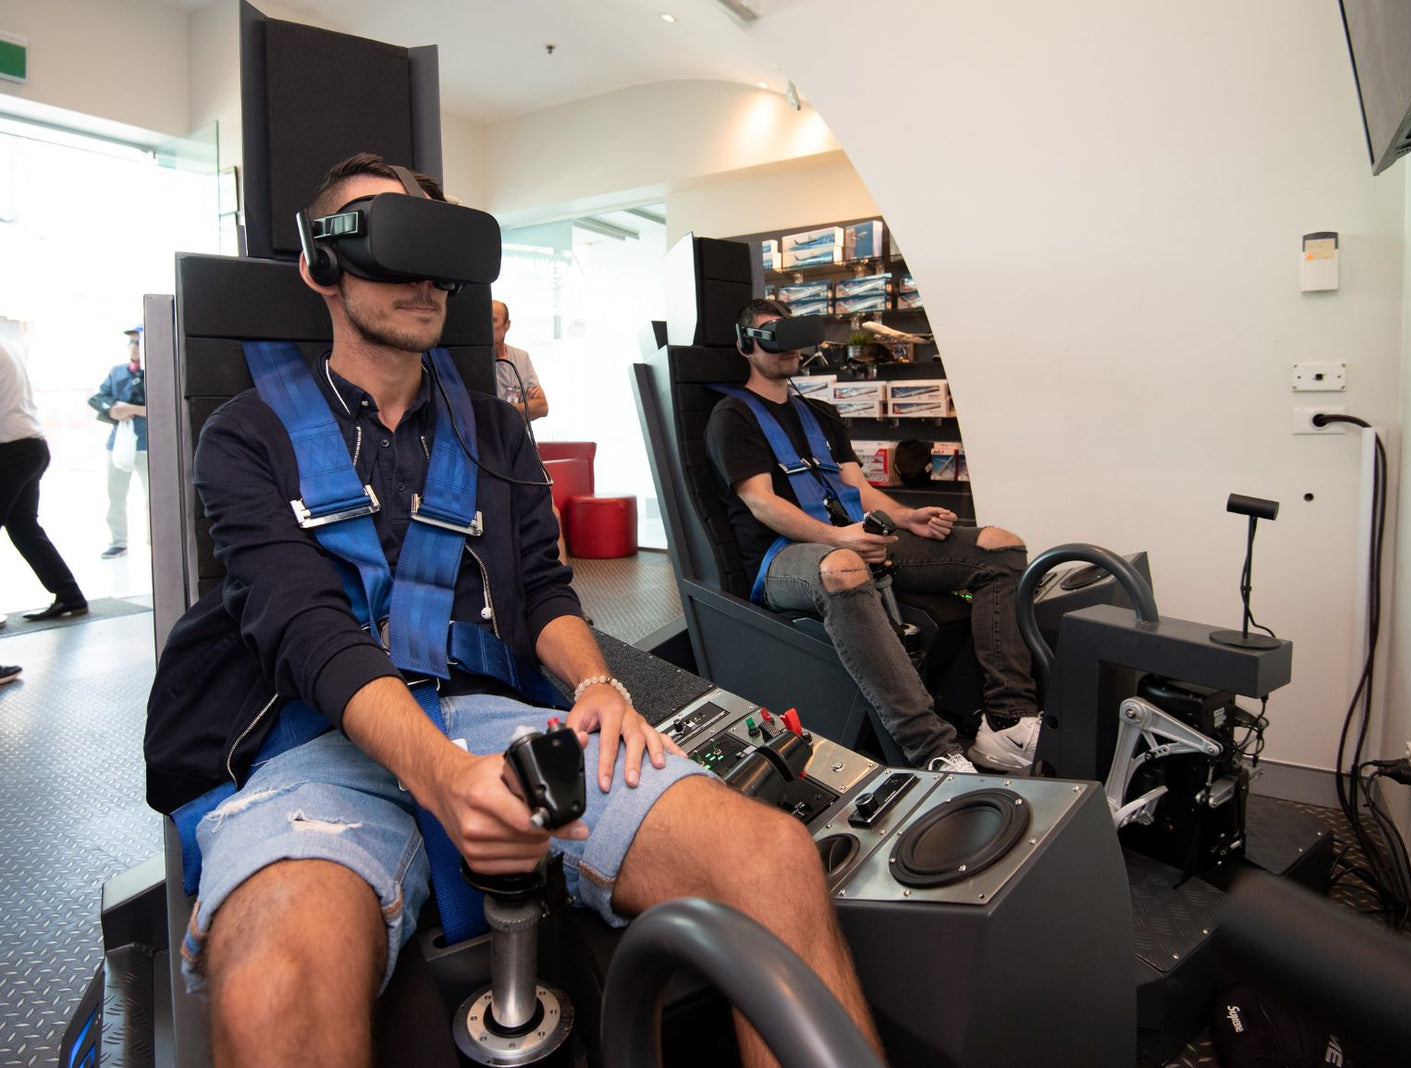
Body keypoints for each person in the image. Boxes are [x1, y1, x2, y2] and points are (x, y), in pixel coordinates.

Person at [144, 154, 879, 1066]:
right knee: (273, 986)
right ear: (319, 265)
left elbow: (541, 590)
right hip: (317, 738)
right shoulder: (248, 433)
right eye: (389, 241)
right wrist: (440, 778)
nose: (423, 277)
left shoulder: (493, 433)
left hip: (490, 713)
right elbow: (302, 626)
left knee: (774, 861)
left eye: (437, 248)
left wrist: (601, 683)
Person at [705, 299, 1043, 773]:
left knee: (1001, 548)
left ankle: (1007, 722)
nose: (786, 349)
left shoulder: (821, 415)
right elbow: (760, 501)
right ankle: (932, 749)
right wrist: (836, 538)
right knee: (845, 568)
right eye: (771, 336)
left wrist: (906, 518)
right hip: (783, 559)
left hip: (850, 538)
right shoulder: (732, 416)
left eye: (792, 336)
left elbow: (857, 489)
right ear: (745, 345)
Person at [1, 338, 89, 623]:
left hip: (10, 448)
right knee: (24, 526)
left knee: (24, 526)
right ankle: (70, 595)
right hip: (29, 444)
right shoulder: (7, 344)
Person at [89, 326, 149, 558]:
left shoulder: (155, 374)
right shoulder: (117, 372)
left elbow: (164, 406)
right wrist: (114, 409)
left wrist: (132, 408)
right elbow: (99, 398)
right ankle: (118, 541)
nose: (134, 348)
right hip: (119, 444)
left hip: (148, 444)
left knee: (152, 497)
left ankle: (154, 540)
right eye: (132, 343)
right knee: (115, 495)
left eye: (138, 342)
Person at [491, 299, 548, 421]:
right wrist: (523, 406)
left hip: (518, 437)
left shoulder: (522, 358)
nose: (487, 326)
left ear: (507, 325)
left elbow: (542, 407)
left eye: (493, 320)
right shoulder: (475, 362)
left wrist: (508, 409)